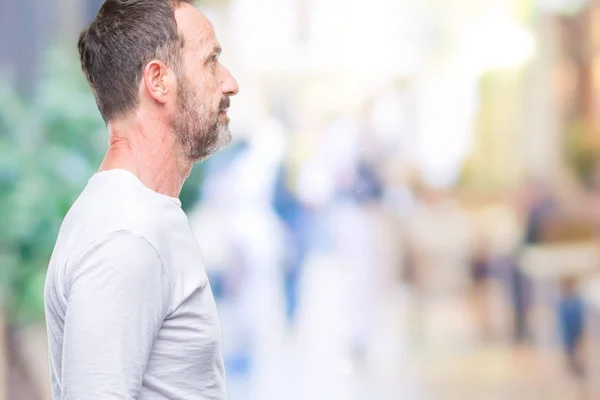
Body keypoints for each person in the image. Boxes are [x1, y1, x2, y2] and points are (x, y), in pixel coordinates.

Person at [43, 1, 239, 399]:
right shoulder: (126, 236)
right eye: (211, 61)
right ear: (158, 81)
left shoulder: (138, 216)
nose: (230, 82)